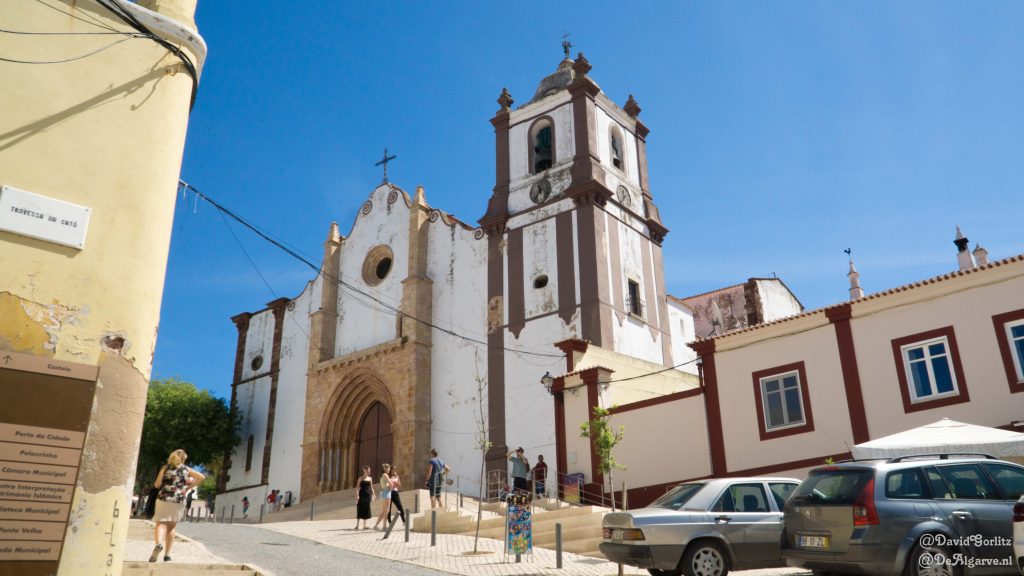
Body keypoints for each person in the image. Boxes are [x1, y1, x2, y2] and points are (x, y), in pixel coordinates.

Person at [150, 449, 205, 563]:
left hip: (163, 498)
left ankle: (159, 544)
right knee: (171, 527)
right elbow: (201, 477)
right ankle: (167, 556)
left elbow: (157, 484)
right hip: (178, 499)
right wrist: (188, 487)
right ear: (183, 459)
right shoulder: (186, 469)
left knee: (160, 524)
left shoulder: (165, 468)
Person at [372, 463, 393, 530]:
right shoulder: (385, 475)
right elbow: (391, 484)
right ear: (385, 468)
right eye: (388, 468)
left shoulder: (382, 475)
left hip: (384, 492)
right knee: (387, 510)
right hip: (387, 492)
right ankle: (384, 526)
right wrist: (390, 486)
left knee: (383, 511)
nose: (389, 469)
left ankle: (376, 525)